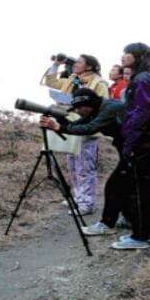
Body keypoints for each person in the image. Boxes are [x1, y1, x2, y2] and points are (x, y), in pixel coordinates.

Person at [40, 88, 128, 237]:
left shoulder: (110, 107)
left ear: (89, 103)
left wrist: (59, 127)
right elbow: (77, 125)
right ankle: (130, 220)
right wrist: (58, 119)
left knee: (114, 186)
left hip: (138, 148)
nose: (78, 111)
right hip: (128, 148)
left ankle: (107, 225)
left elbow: (89, 129)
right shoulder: (97, 109)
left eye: (80, 107)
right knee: (127, 187)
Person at [42, 54, 110, 215]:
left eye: (79, 62)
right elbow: (50, 82)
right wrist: (56, 65)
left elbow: (103, 106)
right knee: (72, 166)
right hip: (68, 124)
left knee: (85, 167)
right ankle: (78, 198)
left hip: (86, 127)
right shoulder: (72, 79)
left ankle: (87, 203)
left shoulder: (99, 83)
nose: (74, 64)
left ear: (90, 66)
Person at [112, 42, 150, 250]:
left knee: (138, 191)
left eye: (128, 53)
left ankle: (140, 236)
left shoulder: (141, 79)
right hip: (149, 140)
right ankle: (148, 230)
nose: (123, 57)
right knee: (145, 187)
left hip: (141, 141)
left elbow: (139, 112)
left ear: (139, 56)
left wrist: (129, 140)